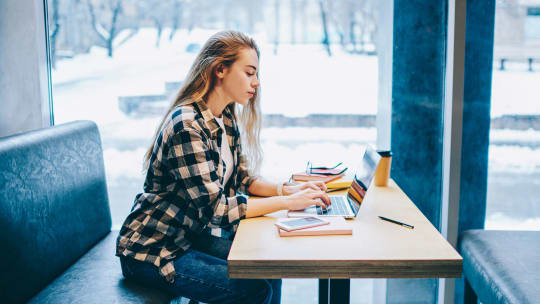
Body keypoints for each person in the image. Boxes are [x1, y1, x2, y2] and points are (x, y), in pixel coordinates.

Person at [116, 30, 331, 304]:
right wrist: (287, 201)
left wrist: (289, 189)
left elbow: (242, 179)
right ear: (220, 69)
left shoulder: (224, 116)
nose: (256, 82)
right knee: (255, 291)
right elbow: (217, 210)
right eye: (249, 72)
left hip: (189, 237)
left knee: (269, 264)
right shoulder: (187, 126)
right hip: (154, 251)